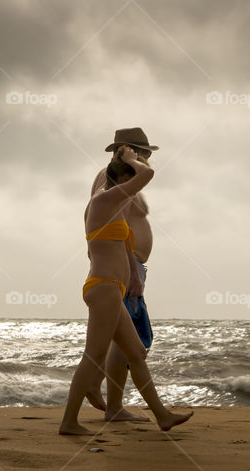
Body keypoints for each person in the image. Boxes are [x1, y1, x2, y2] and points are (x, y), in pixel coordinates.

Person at [60, 145, 192, 435]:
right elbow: (148, 174)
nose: (133, 189)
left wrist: (132, 271)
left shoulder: (114, 203)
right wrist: (132, 160)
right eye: (128, 180)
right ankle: (69, 422)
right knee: (93, 356)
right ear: (120, 178)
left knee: (135, 352)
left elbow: (123, 245)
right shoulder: (104, 199)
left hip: (113, 290)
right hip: (103, 288)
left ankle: (162, 415)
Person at [85, 127, 156, 422]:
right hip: (126, 268)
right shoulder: (120, 180)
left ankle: (109, 399)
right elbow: (120, 227)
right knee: (132, 342)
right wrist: (132, 270)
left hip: (127, 267)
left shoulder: (113, 178)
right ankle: (112, 405)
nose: (149, 158)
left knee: (124, 339)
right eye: (146, 152)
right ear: (131, 152)